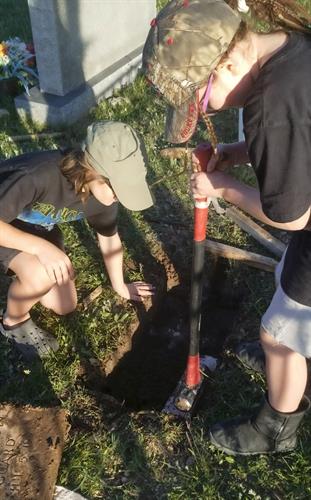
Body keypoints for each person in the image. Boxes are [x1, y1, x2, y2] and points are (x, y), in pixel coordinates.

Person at [143, 0, 311, 455]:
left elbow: (292, 216)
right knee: (285, 291)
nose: (207, 112)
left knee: (279, 331)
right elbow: (298, 142)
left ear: (228, 62)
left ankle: (277, 426)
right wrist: (238, 152)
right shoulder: (290, 52)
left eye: (201, 101)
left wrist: (221, 186)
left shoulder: (272, 106)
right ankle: (291, 361)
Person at [0, 121, 155, 360]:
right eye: (116, 189)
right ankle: (13, 321)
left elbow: (109, 238)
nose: (118, 198)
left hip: (37, 231)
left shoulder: (103, 197)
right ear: (92, 169)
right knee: (42, 274)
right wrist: (41, 249)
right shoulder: (38, 175)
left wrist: (120, 285)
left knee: (65, 305)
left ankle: (28, 273)